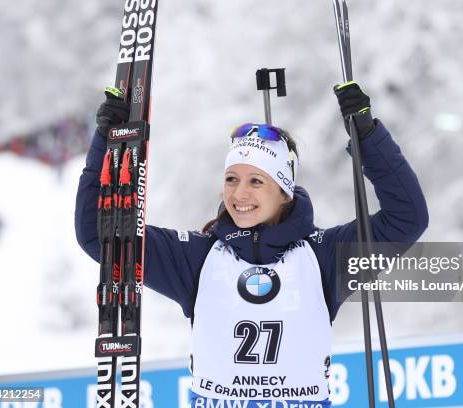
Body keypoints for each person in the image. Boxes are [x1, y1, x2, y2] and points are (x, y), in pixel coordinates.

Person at [75, 81, 428, 407]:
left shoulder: (324, 257)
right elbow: (100, 237)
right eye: (231, 179)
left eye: (256, 181)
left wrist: (368, 139)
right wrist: (105, 144)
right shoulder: (196, 257)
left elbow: (407, 218)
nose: (239, 194)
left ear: (284, 191)